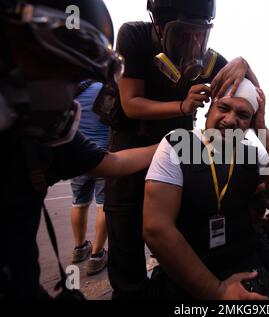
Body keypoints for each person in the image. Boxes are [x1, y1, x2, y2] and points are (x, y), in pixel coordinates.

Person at [0, 0, 159, 299]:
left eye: (74, 76)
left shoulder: (44, 139)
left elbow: (114, 163)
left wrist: (166, 145)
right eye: (52, 63)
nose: (64, 95)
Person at [104, 0, 259, 299]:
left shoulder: (212, 62)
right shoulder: (135, 36)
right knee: (126, 236)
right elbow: (130, 103)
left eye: (201, 33)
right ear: (159, 25)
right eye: (183, 34)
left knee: (181, 235)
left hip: (180, 156)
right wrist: (182, 106)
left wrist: (244, 65)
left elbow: (249, 97)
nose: (194, 42)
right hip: (133, 148)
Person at [142, 78, 269, 300]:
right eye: (223, 108)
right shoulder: (179, 143)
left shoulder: (247, 151)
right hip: (192, 258)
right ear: (209, 109)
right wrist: (218, 292)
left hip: (246, 251)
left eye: (243, 116)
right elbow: (157, 229)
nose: (230, 120)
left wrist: (261, 128)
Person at [70, 81, 109, 276]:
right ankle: (96, 256)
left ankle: (79, 248)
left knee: (79, 203)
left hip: (77, 154)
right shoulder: (107, 90)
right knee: (104, 206)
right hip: (103, 156)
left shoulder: (76, 90)